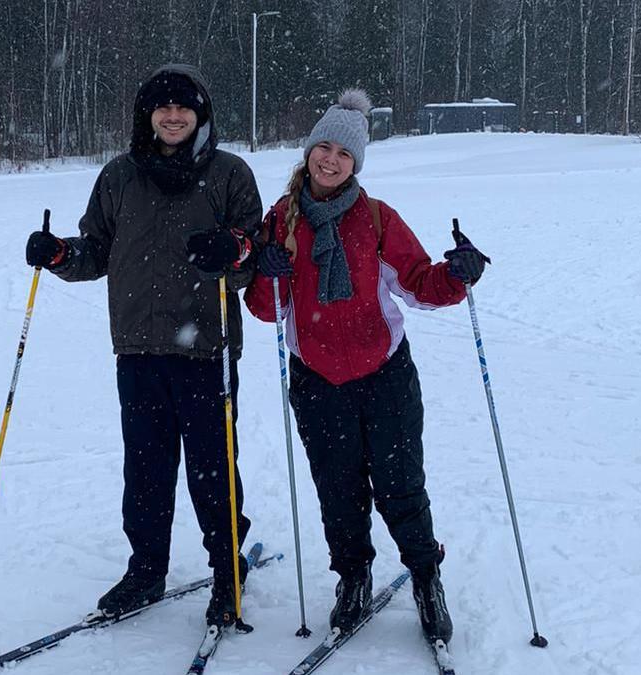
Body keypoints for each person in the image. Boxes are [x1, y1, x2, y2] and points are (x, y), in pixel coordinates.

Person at [243, 90, 488, 646]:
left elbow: (419, 282)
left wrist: (458, 274)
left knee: (402, 486)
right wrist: (267, 270)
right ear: (308, 151)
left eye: (343, 153)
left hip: (384, 376)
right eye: (322, 148)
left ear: (357, 163)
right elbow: (266, 310)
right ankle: (353, 577)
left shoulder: (376, 218)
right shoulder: (281, 219)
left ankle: (426, 578)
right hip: (316, 381)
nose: (330, 160)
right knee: (338, 489)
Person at [25, 64, 263, 627]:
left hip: (207, 348)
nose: (173, 116)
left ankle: (228, 570)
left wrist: (233, 250)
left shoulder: (229, 174)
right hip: (137, 349)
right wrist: (60, 255)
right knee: (147, 469)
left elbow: (255, 253)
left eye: (183, 107)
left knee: (212, 468)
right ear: (147, 115)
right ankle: (146, 569)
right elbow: (97, 251)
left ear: (200, 114)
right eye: (163, 107)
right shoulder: (119, 177)